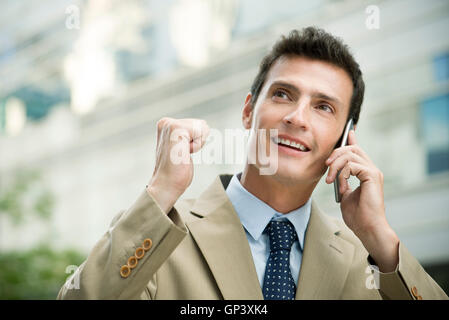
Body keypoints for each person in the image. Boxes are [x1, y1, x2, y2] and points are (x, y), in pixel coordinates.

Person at [57, 27, 448, 300]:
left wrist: (379, 235)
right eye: (282, 94)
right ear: (249, 112)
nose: (297, 117)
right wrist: (160, 192)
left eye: (323, 107)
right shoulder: (155, 234)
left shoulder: (367, 261)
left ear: (347, 137)